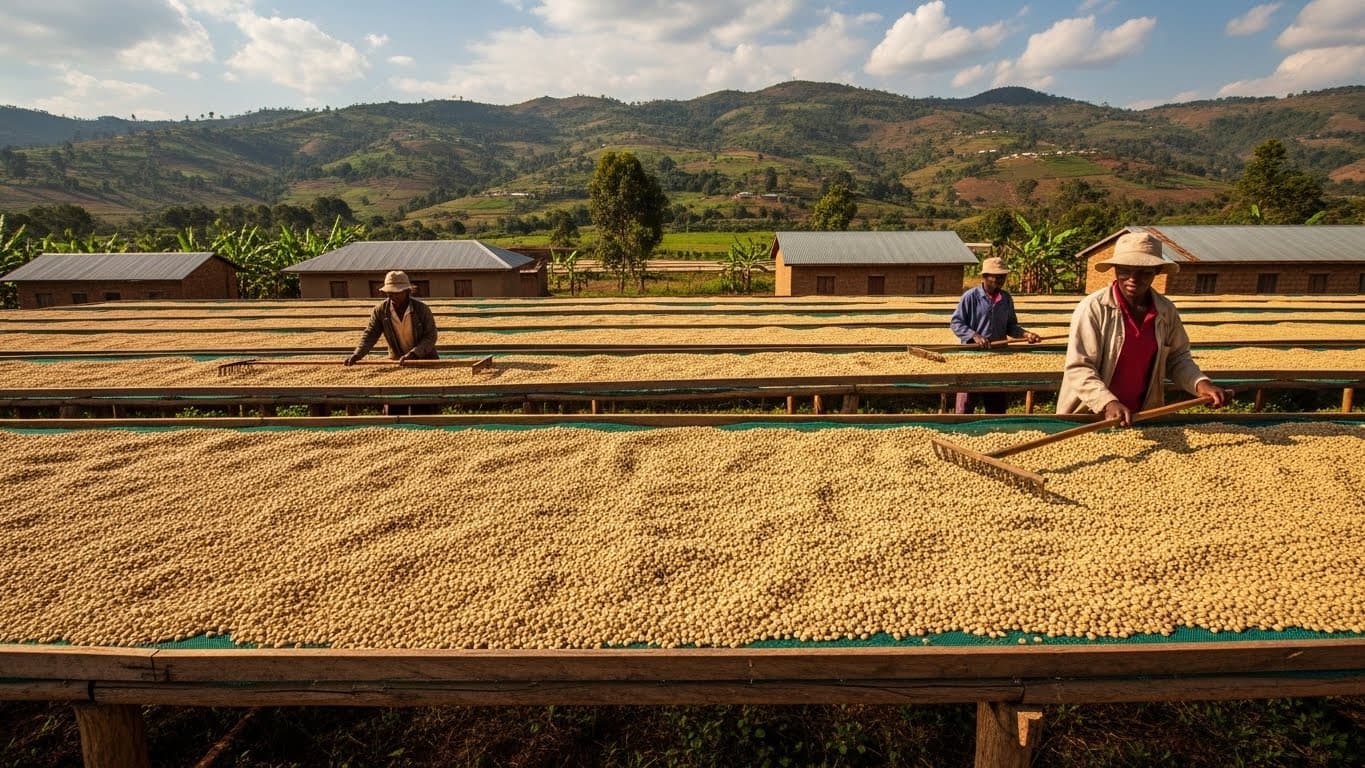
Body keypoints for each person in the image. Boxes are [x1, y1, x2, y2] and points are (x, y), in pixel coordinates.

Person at [1057, 231, 1230, 426]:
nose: (1133, 278)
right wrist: (1107, 403)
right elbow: (1080, 367)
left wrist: (1201, 384)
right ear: (1115, 269)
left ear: (1157, 271)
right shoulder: (1093, 308)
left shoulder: (1165, 311)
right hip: (1090, 415)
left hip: (1142, 414)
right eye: (1125, 270)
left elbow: (1177, 358)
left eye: (1144, 272)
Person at [948, 256, 1042, 414]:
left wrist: (1026, 334)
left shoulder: (1006, 299)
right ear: (984, 277)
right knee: (966, 403)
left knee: (996, 404)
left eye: (1002, 276)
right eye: (996, 276)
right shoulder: (970, 297)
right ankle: (960, 426)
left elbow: (1010, 326)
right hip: (972, 357)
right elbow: (956, 322)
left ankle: (994, 426)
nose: (1000, 280)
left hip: (998, 357)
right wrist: (974, 335)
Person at [345, 270, 439, 366]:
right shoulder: (381, 310)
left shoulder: (421, 309)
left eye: (396, 292)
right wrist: (357, 354)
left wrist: (415, 353)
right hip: (397, 360)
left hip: (426, 359)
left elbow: (431, 336)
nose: (392, 296)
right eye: (389, 292)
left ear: (407, 291)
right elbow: (371, 334)